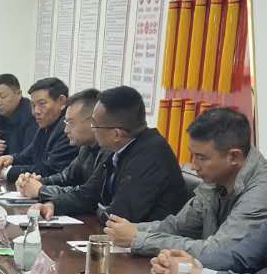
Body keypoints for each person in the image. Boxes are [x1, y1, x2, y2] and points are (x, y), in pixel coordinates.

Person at [106, 108, 267, 257]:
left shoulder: (261, 192)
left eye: (201, 157)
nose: (194, 166)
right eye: (193, 155)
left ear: (234, 157)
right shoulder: (215, 179)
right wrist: (130, 229)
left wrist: (138, 239)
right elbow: (178, 227)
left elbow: (219, 251)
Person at [33, 86, 188, 222]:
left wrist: (98, 207)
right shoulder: (118, 147)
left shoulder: (150, 155)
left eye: (95, 125)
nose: (92, 129)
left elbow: (117, 216)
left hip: (150, 243)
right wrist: (53, 205)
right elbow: (89, 194)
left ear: (116, 134)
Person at [16, 88, 102, 205]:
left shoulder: (108, 151)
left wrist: (41, 190)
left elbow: (87, 195)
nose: (66, 130)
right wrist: (36, 181)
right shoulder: (86, 147)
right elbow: (66, 177)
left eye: (70, 123)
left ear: (93, 122)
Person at [0, 77, 76, 183]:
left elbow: (51, 169)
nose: (36, 111)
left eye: (42, 104)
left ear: (61, 102)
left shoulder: (69, 128)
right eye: (33, 105)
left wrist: (7, 172)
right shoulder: (47, 124)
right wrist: (11, 158)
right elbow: (29, 155)